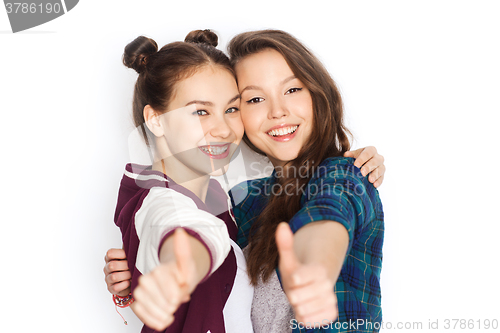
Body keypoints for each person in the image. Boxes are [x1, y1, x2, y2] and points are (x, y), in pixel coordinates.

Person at [105, 29, 386, 333]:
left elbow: (328, 219)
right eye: (254, 99)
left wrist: (316, 268)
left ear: (318, 92)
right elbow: (205, 271)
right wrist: (139, 277)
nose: (278, 111)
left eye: (292, 90)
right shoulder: (244, 201)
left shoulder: (344, 175)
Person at [113, 30, 254, 333]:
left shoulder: (216, 197)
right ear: (156, 120)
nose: (224, 129)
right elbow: (178, 228)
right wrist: (181, 268)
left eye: (231, 109)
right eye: (201, 111)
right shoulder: (159, 201)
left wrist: (344, 164)